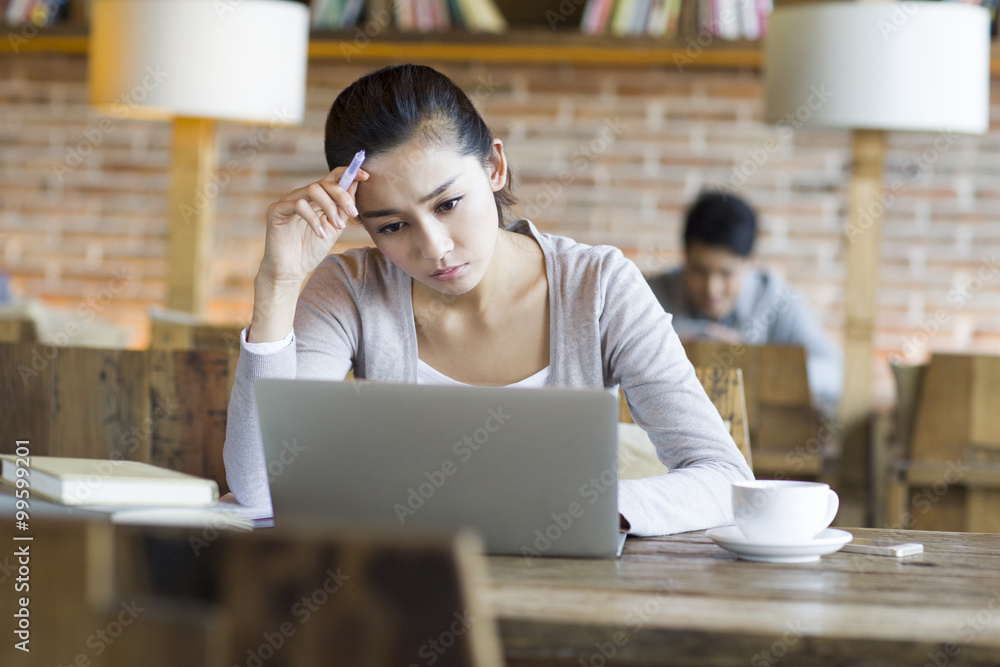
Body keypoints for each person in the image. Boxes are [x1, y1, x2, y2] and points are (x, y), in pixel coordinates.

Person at [223, 64, 753, 537]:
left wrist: (587, 507)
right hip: (404, 596)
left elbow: (724, 477)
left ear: (495, 167)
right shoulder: (349, 289)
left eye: (449, 203)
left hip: (572, 597)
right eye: (391, 225)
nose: (434, 248)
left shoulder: (599, 286)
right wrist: (279, 283)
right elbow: (261, 488)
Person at [646, 191, 843, 411]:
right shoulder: (650, 297)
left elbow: (837, 377)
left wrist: (755, 362)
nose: (713, 289)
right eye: (699, 271)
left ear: (751, 263)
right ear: (685, 256)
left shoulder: (779, 302)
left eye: (726, 273)